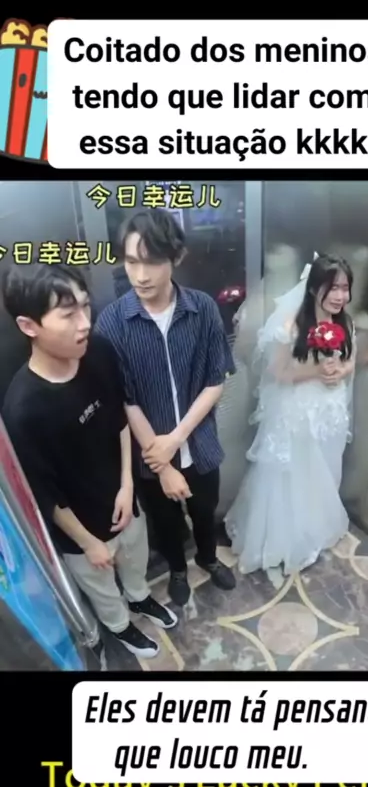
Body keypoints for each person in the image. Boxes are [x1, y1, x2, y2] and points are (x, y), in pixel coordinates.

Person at [1, 263, 178, 663]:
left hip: (124, 498)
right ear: (29, 326)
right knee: (102, 588)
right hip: (80, 530)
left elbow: (119, 420)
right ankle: (119, 625)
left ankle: (140, 598)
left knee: (135, 560)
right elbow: (44, 494)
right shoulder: (24, 409)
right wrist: (88, 542)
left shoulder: (99, 351)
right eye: (68, 314)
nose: (85, 322)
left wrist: (128, 486)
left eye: (85, 306)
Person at [95, 210, 237, 606]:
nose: (140, 275)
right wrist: (164, 465)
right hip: (150, 456)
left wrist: (176, 439)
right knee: (166, 521)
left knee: (205, 510)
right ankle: (177, 569)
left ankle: (208, 558)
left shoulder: (202, 309)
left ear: (176, 257)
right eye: (131, 261)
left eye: (152, 262)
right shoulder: (113, 323)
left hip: (200, 443)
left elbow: (215, 380)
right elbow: (125, 400)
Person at [225, 252, 356, 574]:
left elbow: (351, 360)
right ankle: (283, 541)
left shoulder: (345, 322)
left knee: (323, 469)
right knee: (294, 475)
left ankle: (312, 530)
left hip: (330, 410)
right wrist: (317, 372)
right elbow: (278, 372)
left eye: (344, 288)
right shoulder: (290, 325)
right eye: (332, 287)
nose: (340, 296)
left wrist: (340, 372)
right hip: (298, 412)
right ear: (313, 288)